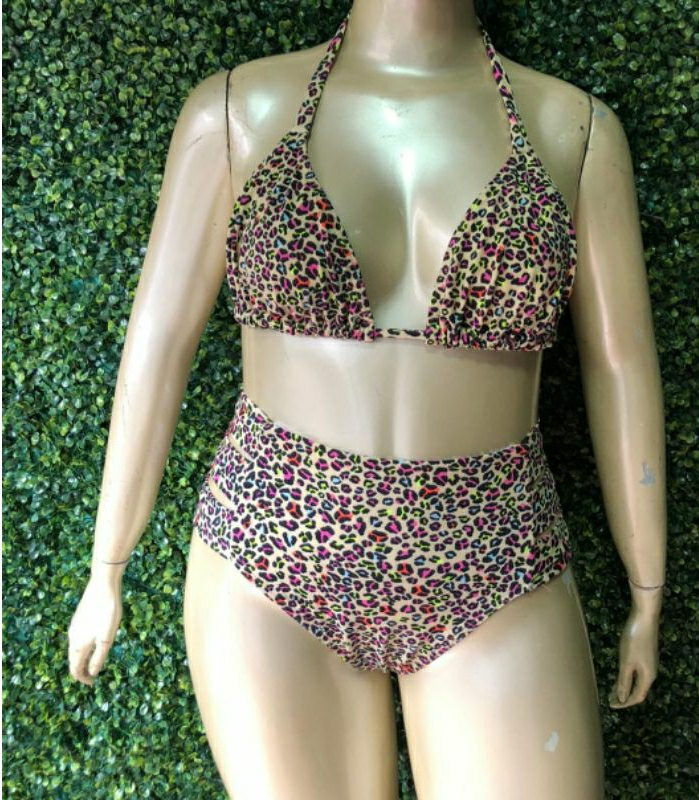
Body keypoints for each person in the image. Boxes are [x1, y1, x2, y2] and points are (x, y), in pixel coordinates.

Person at [68, 2, 666, 797]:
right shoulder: (237, 110)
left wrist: (647, 585)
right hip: (273, 554)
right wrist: (107, 565)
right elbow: (158, 342)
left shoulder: (575, 130)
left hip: (494, 556)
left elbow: (620, 365)